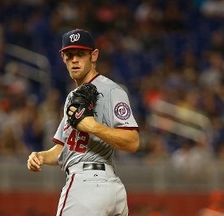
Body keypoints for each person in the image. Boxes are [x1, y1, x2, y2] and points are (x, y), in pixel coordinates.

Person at [27, 28, 140, 216]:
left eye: (81, 54)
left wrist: (92, 126)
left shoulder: (112, 91)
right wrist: (41, 157)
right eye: (69, 55)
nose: (74, 60)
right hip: (109, 190)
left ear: (93, 55)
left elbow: (132, 141)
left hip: (86, 185)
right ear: (63, 58)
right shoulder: (73, 97)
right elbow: (65, 148)